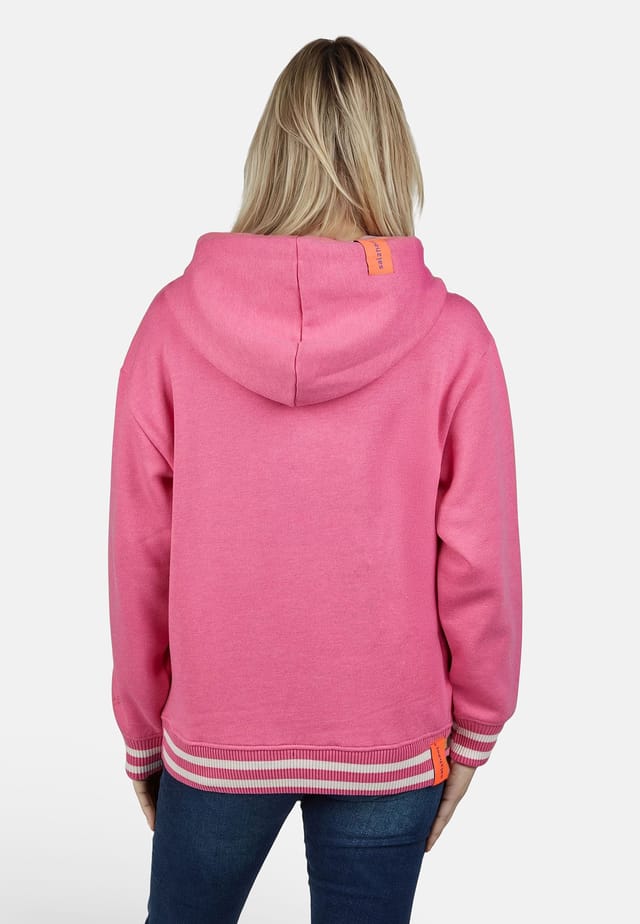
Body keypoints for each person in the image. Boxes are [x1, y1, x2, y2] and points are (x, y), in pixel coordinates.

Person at [107, 35, 523, 924]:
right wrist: (479, 727)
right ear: (391, 153)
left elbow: (139, 553)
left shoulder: (171, 326)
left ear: (271, 152)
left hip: (218, 737)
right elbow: (479, 560)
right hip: (391, 741)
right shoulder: (454, 339)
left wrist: (142, 732)